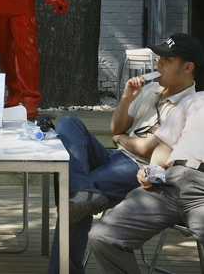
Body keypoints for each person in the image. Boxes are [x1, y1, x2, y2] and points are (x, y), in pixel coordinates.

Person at [46, 32, 204, 274]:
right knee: (68, 123)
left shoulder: (190, 103)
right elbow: (116, 128)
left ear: (187, 67)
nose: (159, 63)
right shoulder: (151, 89)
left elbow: (145, 148)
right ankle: (82, 190)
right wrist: (126, 99)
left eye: (167, 60)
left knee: (74, 196)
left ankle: (81, 194)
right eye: (159, 58)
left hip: (139, 167)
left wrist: (122, 139)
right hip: (117, 157)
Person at [89, 91, 204, 274]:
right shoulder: (195, 100)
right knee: (103, 236)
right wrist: (152, 169)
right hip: (170, 181)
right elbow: (166, 144)